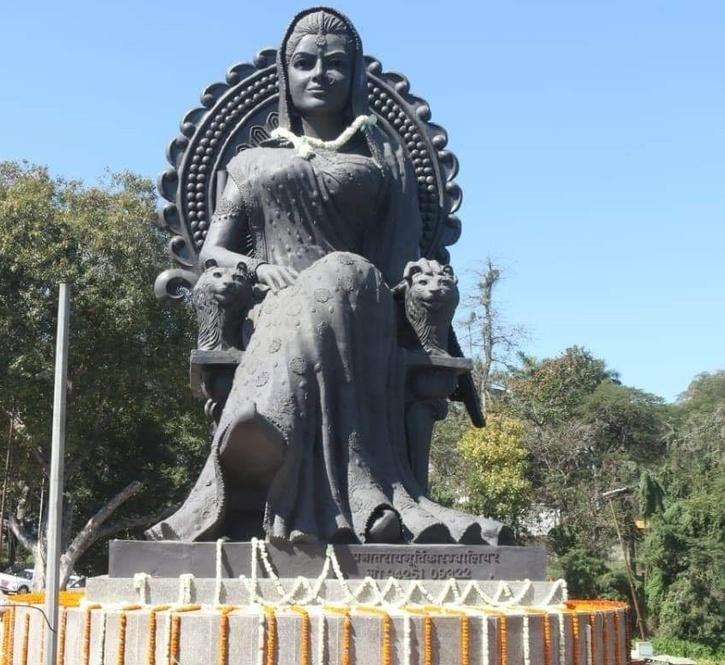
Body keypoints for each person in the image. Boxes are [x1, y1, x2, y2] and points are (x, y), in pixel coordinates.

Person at [147, 7, 511, 546]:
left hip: (363, 302)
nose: (320, 73)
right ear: (286, 78)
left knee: (342, 269)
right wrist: (256, 267)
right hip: (274, 303)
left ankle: (264, 428)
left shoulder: (382, 158)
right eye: (305, 62)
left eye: (336, 63)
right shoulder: (250, 163)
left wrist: (411, 242)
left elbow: (401, 258)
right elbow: (215, 255)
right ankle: (315, 481)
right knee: (316, 291)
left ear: (355, 75)